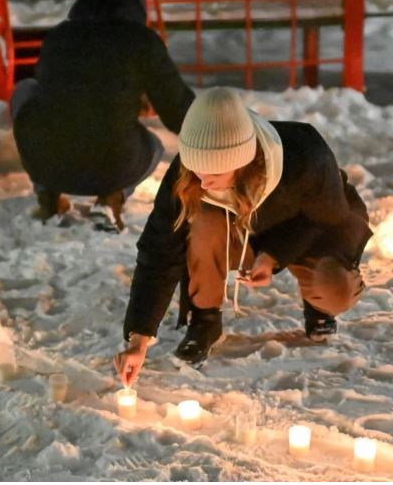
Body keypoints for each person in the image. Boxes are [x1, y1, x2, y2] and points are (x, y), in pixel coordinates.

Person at [114, 88, 372, 379]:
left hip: (307, 231)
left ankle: (318, 304)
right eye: (197, 171)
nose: (204, 182)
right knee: (202, 222)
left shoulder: (306, 157)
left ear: (242, 162)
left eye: (214, 175)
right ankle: (205, 319)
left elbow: (327, 223)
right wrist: (139, 339)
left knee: (334, 289)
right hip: (240, 233)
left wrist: (272, 256)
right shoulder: (190, 173)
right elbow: (158, 250)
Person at [11, 0, 194, 231]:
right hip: (113, 165)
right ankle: (110, 200)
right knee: (155, 146)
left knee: (25, 91)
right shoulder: (141, 40)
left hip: (47, 163)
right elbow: (178, 110)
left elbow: (52, 93)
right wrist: (220, 132)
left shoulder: (59, 36)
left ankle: (48, 195)